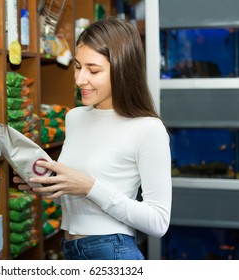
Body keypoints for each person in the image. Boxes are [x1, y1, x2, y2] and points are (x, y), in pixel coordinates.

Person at [14, 17, 172, 260]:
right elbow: (81, 203)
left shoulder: (148, 129)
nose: (79, 79)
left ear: (122, 69)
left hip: (113, 252)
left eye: (93, 70)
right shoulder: (75, 117)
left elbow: (158, 222)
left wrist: (90, 187)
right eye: (77, 66)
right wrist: (50, 186)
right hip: (70, 248)